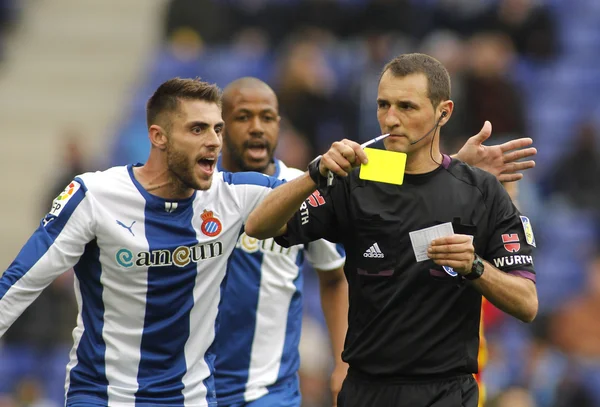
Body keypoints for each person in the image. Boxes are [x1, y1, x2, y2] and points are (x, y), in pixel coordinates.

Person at [244, 53, 538, 407]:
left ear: (444, 112)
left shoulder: (481, 191)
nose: (391, 119)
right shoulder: (359, 176)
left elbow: (527, 303)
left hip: (446, 392)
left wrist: (474, 266)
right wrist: (314, 173)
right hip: (367, 390)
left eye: (407, 107)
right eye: (383, 105)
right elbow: (258, 226)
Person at [0, 78, 286, 407]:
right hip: (102, 396)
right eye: (197, 129)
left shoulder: (234, 195)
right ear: (158, 136)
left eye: (217, 129)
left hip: (189, 399)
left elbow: (315, 195)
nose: (213, 142)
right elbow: (19, 284)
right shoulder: (95, 196)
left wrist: (322, 171)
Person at [213, 77, 348, 407]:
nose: (257, 128)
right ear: (219, 127)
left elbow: (334, 277)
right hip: (192, 389)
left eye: (268, 118)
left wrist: (344, 365)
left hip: (269, 392)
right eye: (243, 117)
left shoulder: (303, 189)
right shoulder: (198, 190)